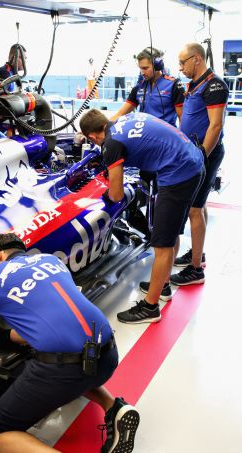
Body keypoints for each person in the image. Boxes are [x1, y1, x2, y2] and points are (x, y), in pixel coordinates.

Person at [0, 233, 140, 453]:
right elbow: (46, 319)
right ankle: (114, 407)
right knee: (78, 365)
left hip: (64, 371)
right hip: (107, 355)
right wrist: (3, 337)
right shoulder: (50, 260)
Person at [80, 109, 204, 323]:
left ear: (92, 137)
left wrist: (106, 195)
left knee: (162, 244)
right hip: (193, 161)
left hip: (178, 173)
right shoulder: (125, 120)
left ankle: (150, 307)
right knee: (169, 231)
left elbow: (116, 194)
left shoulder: (111, 144)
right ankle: (162, 284)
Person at [162, 43, 229, 288]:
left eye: (183, 62)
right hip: (194, 153)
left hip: (205, 155)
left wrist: (201, 157)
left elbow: (215, 126)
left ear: (197, 59)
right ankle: (196, 253)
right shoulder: (194, 84)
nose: (180, 68)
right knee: (199, 207)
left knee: (193, 209)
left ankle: (195, 269)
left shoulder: (214, 85)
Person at [110, 47, 185, 127]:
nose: (142, 72)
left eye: (145, 68)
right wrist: (103, 127)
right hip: (144, 135)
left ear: (158, 65)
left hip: (165, 137)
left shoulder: (174, 85)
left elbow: (182, 119)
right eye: (140, 68)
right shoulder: (138, 88)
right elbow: (120, 113)